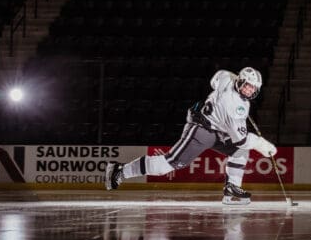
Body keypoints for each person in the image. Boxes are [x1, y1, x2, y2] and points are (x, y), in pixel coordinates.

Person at [105, 67, 277, 205]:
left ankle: (232, 187)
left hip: (218, 131)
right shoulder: (235, 107)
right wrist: (261, 143)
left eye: (252, 87)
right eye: (247, 85)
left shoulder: (227, 77)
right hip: (202, 129)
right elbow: (241, 139)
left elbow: (215, 79)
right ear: (240, 81)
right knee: (169, 164)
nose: (249, 90)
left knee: (240, 152)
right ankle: (120, 170)